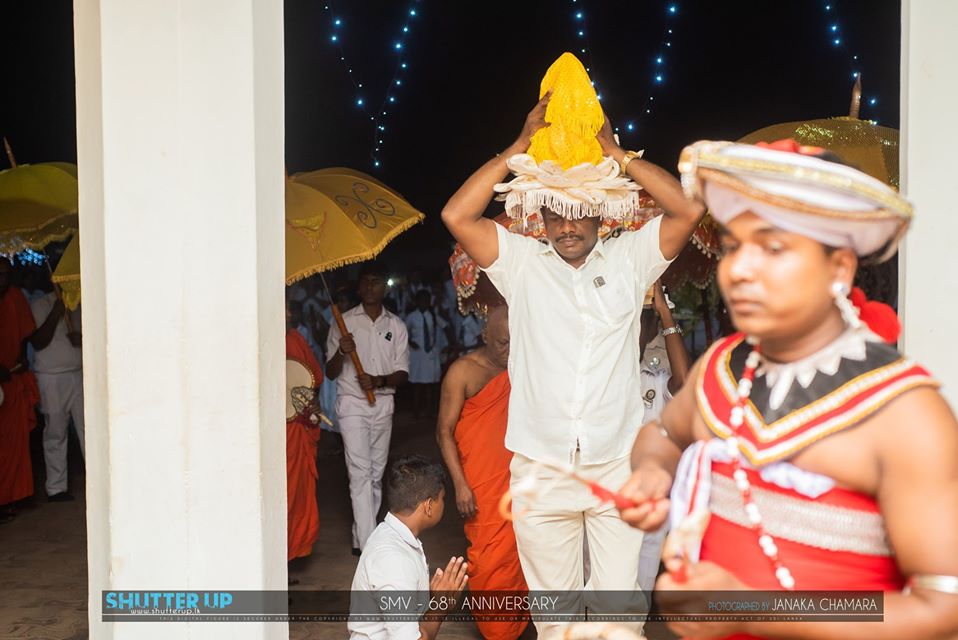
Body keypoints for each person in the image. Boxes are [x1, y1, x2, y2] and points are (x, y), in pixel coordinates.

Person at [618, 139, 958, 639]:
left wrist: (748, 608)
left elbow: (943, 607)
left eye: (773, 247)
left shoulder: (904, 413)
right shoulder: (721, 368)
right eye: (734, 246)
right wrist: (652, 473)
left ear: (839, 268)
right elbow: (666, 435)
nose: (739, 270)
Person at [440, 53, 704, 636]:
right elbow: (456, 215)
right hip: (541, 468)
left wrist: (617, 155)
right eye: (556, 212)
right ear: (541, 214)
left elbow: (689, 209)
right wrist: (518, 148)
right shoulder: (522, 264)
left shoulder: (631, 259)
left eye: (579, 212)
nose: (566, 226)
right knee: (555, 620)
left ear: (601, 214)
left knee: (619, 617)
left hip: (616, 464)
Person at [436, 306, 528, 640]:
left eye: (516, 342)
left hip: (522, 478)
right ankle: (497, 630)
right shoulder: (463, 371)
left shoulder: (524, 366)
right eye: (503, 342)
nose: (509, 350)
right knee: (489, 560)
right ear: (484, 335)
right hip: (482, 483)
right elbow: (443, 432)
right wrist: (460, 485)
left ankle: (517, 625)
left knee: (523, 554)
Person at [326, 261, 410, 554]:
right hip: (352, 404)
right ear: (358, 287)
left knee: (375, 474)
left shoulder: (395, 325)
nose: (370, 287)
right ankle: (368, 544)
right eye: (365, 281)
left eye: (376, 281)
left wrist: (379, 380)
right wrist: (341, 350)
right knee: (360, 472)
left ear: (384, 287)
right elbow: (330, 372)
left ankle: (360, 533)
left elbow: (403, 373)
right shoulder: (344, 322)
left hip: (383, 403)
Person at [349, 454, 468, 640]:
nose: (444, 504)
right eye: (442, 498)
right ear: (429, 506)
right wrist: (440, 606)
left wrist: (427, 597)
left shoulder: (390, 534)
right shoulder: (394, 560)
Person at [634, 280, 690, 591]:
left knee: (643, 577)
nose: (640, 328)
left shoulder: (656, 371)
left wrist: (666, 314)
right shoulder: (607, 368)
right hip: (608, 482)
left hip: (651, 489)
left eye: (645, 319)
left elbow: (683, 381)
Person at [28, 279, 85, 502]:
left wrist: (82, 339)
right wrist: (56, 313)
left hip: (78, 372)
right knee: (55, 432)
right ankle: (56, 488)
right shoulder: (41, 304)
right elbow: (38, 341)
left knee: (87, 429)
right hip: (50, 377)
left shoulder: (78, 302)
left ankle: (96, 480)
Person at [0, 257, 41, 521]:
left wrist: (22, 360)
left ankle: (9, 499)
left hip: (12, 380)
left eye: (6, 274)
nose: (2, 279)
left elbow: (25, 334)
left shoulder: (15, 297)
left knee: (14, 445)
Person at [286, 298, 324, 564]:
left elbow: (313, 379)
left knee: (297, 495)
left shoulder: (295, 338)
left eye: (290, 308)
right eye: (284, 308)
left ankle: (290, 554)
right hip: (277, 431)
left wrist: (311, 404)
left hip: (297, 428)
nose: (289, 314)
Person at [406, 289, 450, 418]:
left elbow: (446, 326)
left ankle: (429, 410)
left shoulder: (433, 315)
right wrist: (411, 342)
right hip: (417, 353)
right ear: (417, 301)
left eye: (426, 300)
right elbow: (403, 332)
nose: (424, 303)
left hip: (430, 352)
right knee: (416, 383)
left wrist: (449, 343)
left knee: (430, 383)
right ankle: (416, 409)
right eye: (422, 300)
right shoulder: (411, 316)